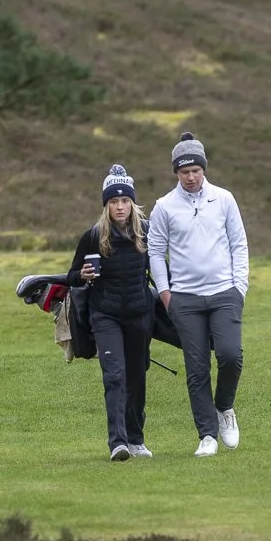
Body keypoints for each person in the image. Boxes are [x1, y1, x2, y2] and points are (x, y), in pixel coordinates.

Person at [147, 131, 248, 457]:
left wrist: (239, 288)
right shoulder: (165, 206)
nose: (191, 177)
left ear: (203, 169)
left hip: (223, 293)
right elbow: (155, 252)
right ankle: (207, 435)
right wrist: (165, 293)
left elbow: (239, 244)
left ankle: (225, 408)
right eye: (184, 172)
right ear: (176, 172)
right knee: (197, 367)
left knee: (231, 355)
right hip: (184, 300)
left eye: (195, 171)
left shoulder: (224, 199)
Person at [69, 165, 157, 461]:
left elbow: (161, 270)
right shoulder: (93, 237)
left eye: (125, 201)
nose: (120, 207)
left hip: (139, 314)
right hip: (105, 315)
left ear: (133, 203)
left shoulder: (147, 233)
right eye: (113, 202)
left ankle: (136, 439)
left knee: (137, 376)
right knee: (115, 376)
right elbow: (72, 275)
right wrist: (81, 273)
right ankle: (118, 443)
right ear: (106, 206)